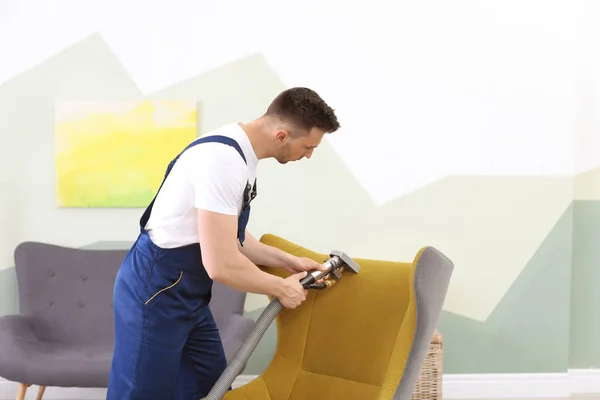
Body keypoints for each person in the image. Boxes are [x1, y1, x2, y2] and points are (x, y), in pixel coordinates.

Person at [106, 87, 341, 400]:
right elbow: (220, 265)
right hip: (155, 292)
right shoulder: (223, 162)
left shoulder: (242, 155)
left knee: (211, 387)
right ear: (282, 136)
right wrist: (281, 288)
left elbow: (234, 239)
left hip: (186, 296)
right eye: (308, 146)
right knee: (142, 393)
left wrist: (290, 262)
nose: (309, 155)